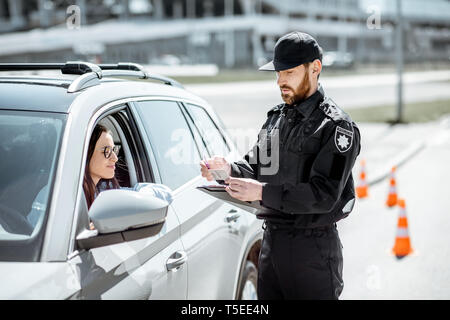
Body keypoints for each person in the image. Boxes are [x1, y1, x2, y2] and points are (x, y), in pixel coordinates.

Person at [200, 31, 361, 300]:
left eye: (288, 72)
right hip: (272, 245)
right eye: (277, 73)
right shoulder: (277, 118)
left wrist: (262, 192)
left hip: (313, 252)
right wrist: (227, 170)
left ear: (315, 68)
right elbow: (257, 166)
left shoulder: (336, 127)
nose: (280, 81)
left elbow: (323, 195)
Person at [83, 124, 172, 228]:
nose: (115, 158)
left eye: (114, 150)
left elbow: (165, 192)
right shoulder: (68, 199)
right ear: (85, 154)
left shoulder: (106, 193)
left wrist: (139, 199)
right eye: (106, 151)